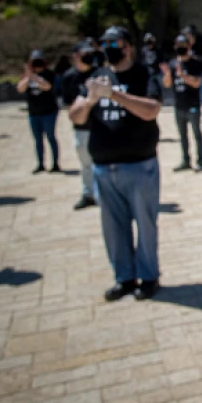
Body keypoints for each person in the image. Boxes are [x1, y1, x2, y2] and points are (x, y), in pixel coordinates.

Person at [68, 26, 163, 302]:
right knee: (113, 228)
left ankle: (148, 277)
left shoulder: (144, 74)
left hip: (139, 165)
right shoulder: (94, 77)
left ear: (127, 46)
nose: (109, 47)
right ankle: (124, 278)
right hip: (104, 167)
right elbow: (75, 117)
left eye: (115, 42)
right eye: (105, 42)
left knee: (145, 225)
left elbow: (151, 110)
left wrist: (115, 95)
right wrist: (89, 100)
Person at [62, 42, 100, 210]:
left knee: (102, 163)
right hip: (82, 129)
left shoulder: (100, 74)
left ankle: (103, 195)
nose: (88, 56)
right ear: (76, 55)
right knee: (86, 164)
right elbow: (69, 105)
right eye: (85, 53)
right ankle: (88, 194)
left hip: (100, 126)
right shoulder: (69, 77)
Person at [162, 35, 202, 172]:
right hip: (179, 105)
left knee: (196, 134)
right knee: (182, 135)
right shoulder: (172, 64)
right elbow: (167, 84)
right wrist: (168, 74)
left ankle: (200, 161)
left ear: (188, 47)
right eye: (178, 45)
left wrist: (182, 75)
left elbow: (196, 83)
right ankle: (185, 160)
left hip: (192, 105)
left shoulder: (195, 63)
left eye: (183, 45)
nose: (180, 48)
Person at [16, 50, 61, 174]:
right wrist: (28, 75)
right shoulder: (26, 76)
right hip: (34, 113)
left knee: (51, 137)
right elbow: (20, 88)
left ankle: (56, 163)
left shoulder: (49, 74)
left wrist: (34, 76)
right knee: (38, 139)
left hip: (49, 112)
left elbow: (46, 87)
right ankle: (41, 164)